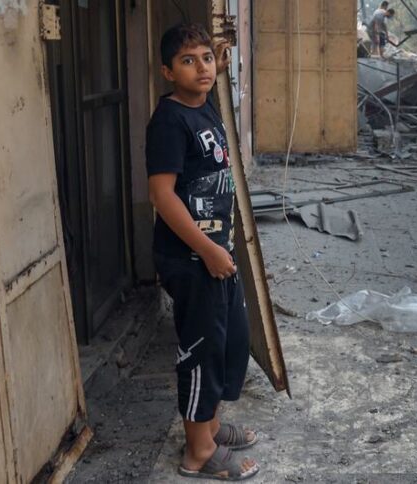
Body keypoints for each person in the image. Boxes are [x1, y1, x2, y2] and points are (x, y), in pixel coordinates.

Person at [146, 23, 260, 481]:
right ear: (167, 72)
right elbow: (162, 195)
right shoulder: (169, 121)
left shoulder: (204, 105)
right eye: (188, 61)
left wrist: (220, 60)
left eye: (206, 59)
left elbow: (212, 73)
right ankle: (198, 452)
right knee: (201, 352)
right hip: (193, 259)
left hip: (216, 254)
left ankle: (209, 428)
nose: (202, 68)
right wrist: (207, 250)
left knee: (228, 342)